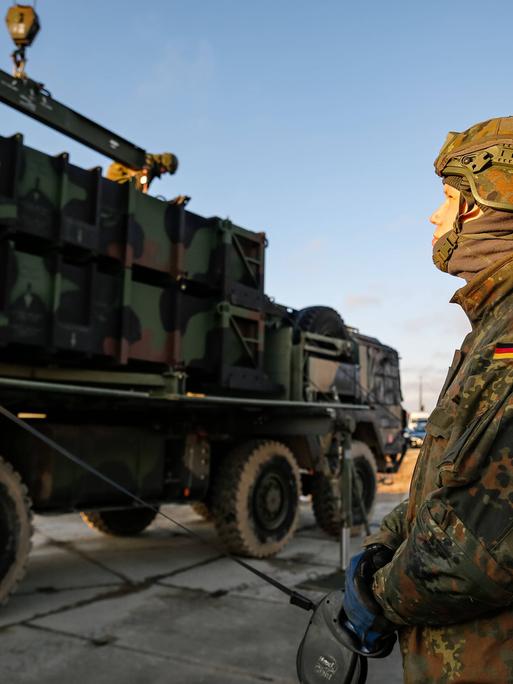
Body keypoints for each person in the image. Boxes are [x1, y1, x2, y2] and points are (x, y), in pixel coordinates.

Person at [343, 117, 513, 683]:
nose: (433, 216)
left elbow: (476, 556)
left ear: (484, 204)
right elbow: (452, 481)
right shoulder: (487, 331)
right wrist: (383, 543)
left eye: (446, 197)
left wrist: (377, 597)